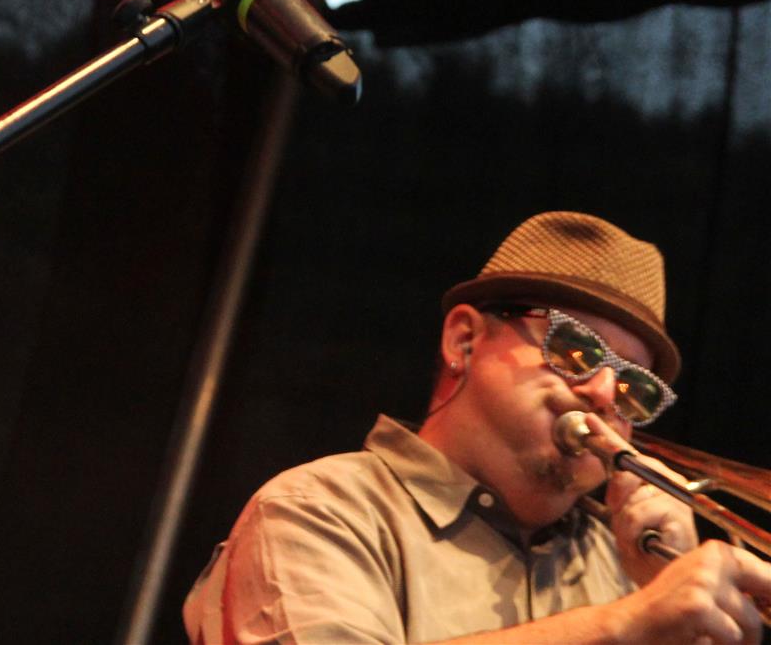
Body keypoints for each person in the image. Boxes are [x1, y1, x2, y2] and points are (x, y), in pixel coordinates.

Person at [184, 210, 770, 645]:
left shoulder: (631, 568)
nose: (601, 392)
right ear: (464, 340)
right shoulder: (320, 510)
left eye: (632, 388)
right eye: (575, 349)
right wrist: (625, 624)